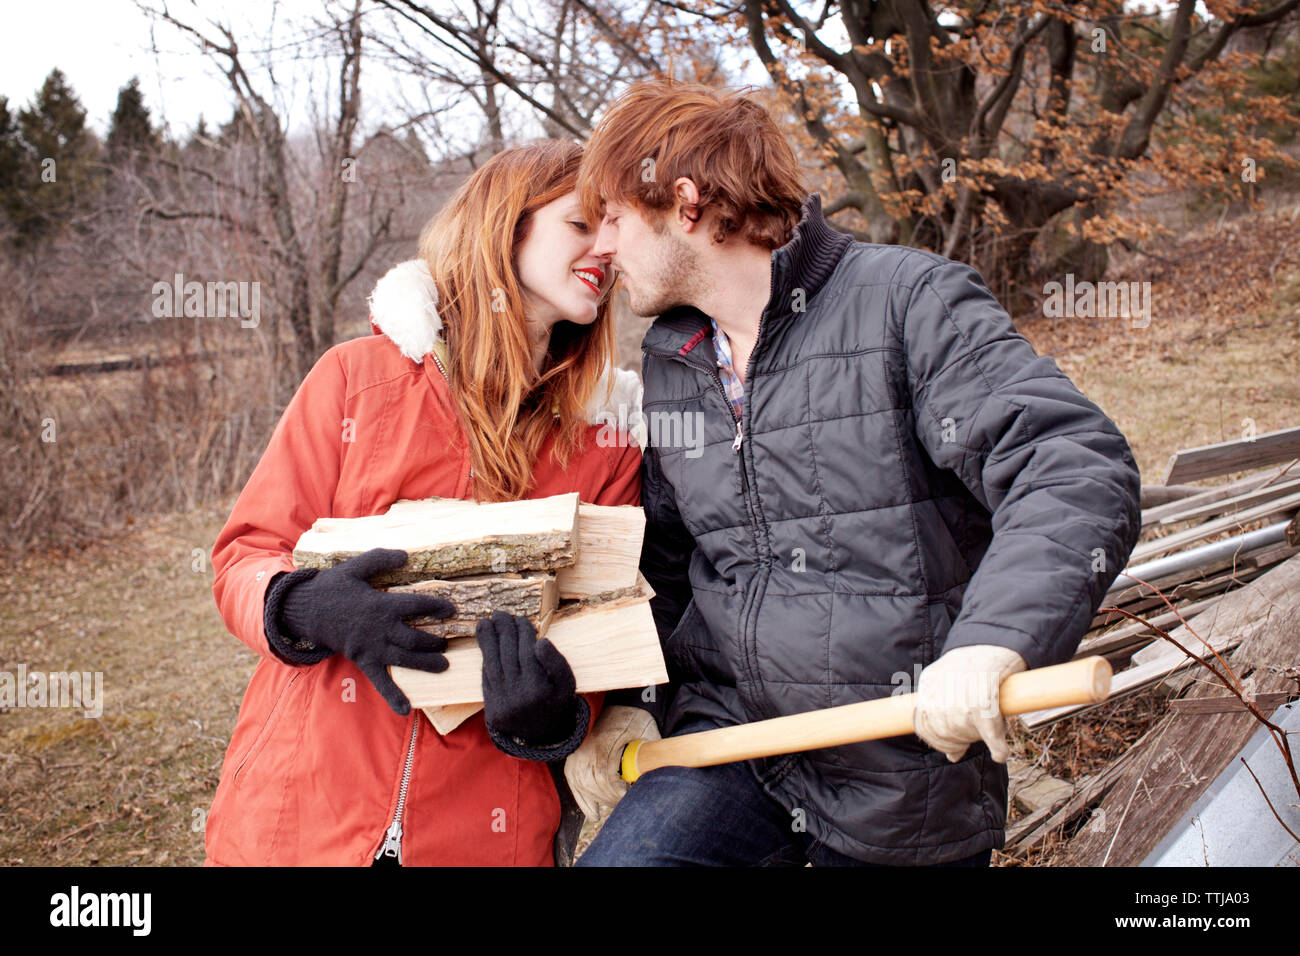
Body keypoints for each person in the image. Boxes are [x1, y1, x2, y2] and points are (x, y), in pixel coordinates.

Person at [564, 81, 1142, 866]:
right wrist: (636, 702)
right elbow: (666, 559)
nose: (599, 247)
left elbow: (1071, 467)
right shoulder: (674, 359)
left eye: (614, 219)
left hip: (899, 763)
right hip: (730, 744)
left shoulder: (908, 302)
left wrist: (993, 642)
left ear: (687, 203)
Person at [203, 141, 644, 867]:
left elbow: (600, 631)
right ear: (507, 225)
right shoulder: (356, 378)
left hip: (484, 833)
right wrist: (302, 606)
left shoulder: (608, 441)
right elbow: (243, 557)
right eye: (579, 223)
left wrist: (554, 715)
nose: (606, 246)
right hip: (301, 814)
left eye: (613, 228)